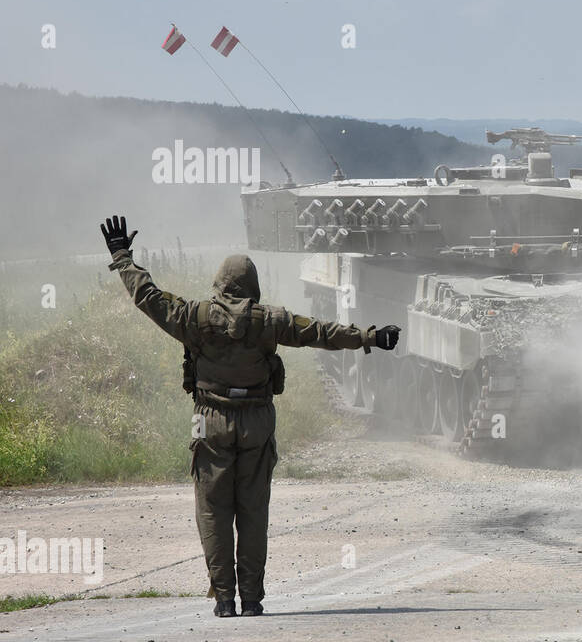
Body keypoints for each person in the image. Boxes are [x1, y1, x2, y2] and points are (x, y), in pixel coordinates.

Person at [100, 215, 400, 618]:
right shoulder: (270, 322)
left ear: (219, 283)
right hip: (257, 421)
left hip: (208, 420)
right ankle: (253, 599)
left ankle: (224, 599)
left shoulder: (193, 317)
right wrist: (370, 336)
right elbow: (321, 332)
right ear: (253, 285)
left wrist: (122, 256)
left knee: (213, 511)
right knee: (253, 513)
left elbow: (148, 296)